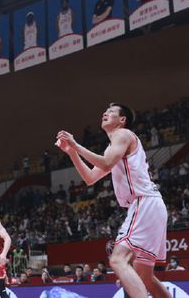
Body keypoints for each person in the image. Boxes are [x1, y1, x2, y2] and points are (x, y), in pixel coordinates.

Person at [55, 103, 170, 298]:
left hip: (144, 202)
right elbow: (90, 177)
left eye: (111, 112)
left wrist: (75, 144)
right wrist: (72, 152)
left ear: (122, 120)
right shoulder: (114, 146)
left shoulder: (123, 135)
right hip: (151, 205)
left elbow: (106, 162)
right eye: (105, 111)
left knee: (117, 259)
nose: (105, 113)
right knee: (145, 276)